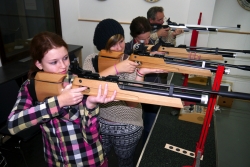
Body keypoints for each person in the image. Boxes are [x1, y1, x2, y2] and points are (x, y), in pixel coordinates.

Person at [7, 31, 117, 167]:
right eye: (54, 62)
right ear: (39, 64)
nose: (63, 66)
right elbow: (13, 124)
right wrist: (59, 102)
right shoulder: (31, 87)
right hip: (56, 161)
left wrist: (90, 105)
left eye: (65, 58)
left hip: (89, 159)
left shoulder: (79, 81)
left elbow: (91, 136)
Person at [83, 18, 165, 167]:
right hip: (98, 122)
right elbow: (88, 88)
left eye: (121, 41)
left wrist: (139, 74)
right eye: (113, 44)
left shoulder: (129, 61)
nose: (119, 47)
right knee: (100, 161)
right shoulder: (92, 61)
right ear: (102, 46)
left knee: (125, 162)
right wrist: (116, 69)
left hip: (128, 124)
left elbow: (133, 103)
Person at [124, 16, 168, 144]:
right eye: (143, 39)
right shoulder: (126, 49)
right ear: (134, 37)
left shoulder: (154, 46)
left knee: (149, 129)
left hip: (151, 92)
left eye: (149, 37)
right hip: (133, 95)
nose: (148, 41)